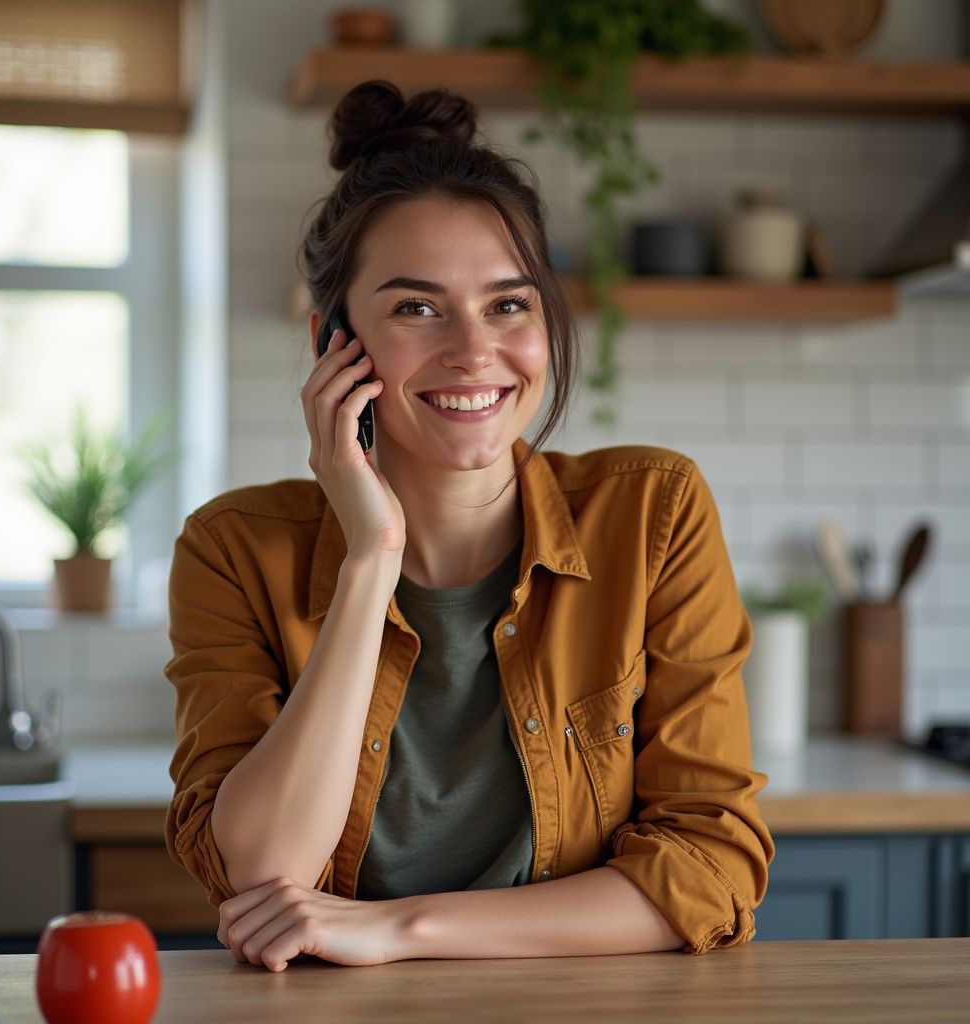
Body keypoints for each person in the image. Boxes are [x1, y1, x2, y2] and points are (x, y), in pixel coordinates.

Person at [164, 79, 775, 972]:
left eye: (508, 304)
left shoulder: (655, 511)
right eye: (416, 307)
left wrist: (402, 929)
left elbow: (712, 866)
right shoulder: (231, 549)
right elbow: (262, 872)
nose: (474, 350)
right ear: (334, 342)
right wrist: (369, 560)